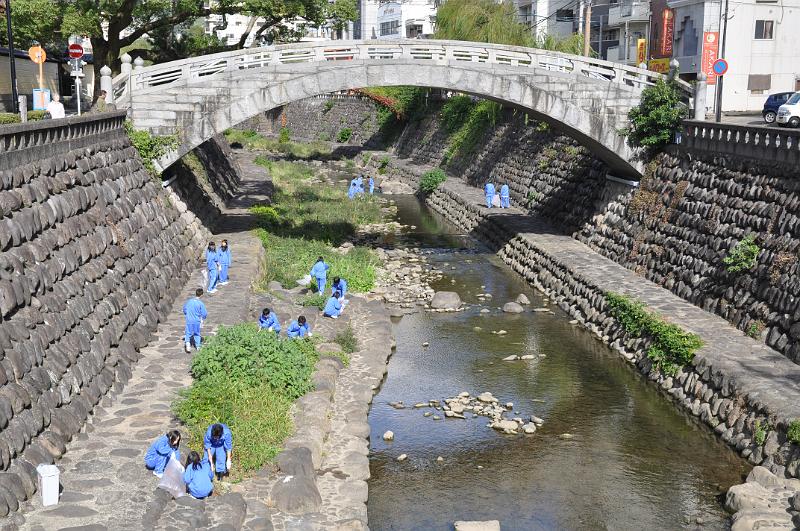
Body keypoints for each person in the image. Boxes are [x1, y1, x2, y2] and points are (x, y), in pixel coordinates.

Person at [183, 288, 207, 353]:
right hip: (197, 321)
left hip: (189, 320)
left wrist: (187, 313)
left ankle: (188, 345)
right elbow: (204, 313)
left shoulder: (189, 301)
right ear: (201, 295)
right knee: (197, 333)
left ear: (195, 293)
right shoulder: (200, 303)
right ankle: (198, 346)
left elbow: (184, 309)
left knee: (188, 333)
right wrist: (203, 317)